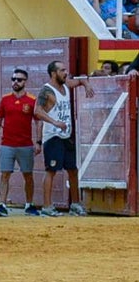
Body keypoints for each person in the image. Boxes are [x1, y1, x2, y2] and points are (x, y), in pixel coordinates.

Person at [35, 60, 95, 216]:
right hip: (53, 135)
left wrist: (86, 85)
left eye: (65, 69)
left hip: (66, 135)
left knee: (73, 170)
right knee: (51, 170)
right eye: (62, 70)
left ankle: (75, 204)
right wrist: (55, 121)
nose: (65, 72)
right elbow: (37, 111)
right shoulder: (46, 91)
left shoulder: (66, 85)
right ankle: (47, 206)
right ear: (53, 73)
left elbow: (80, 79)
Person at [0, 67, 41, 217]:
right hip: (7, 144)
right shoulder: (5, 99)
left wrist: (38, 141)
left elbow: (38, 122)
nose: (15, 82)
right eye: (13, 79)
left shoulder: (32, 100)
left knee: (28, 175)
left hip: (25, 144)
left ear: (25, 82)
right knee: (4, 174)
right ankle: (1, 204)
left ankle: (29, 204)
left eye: (19, 80)